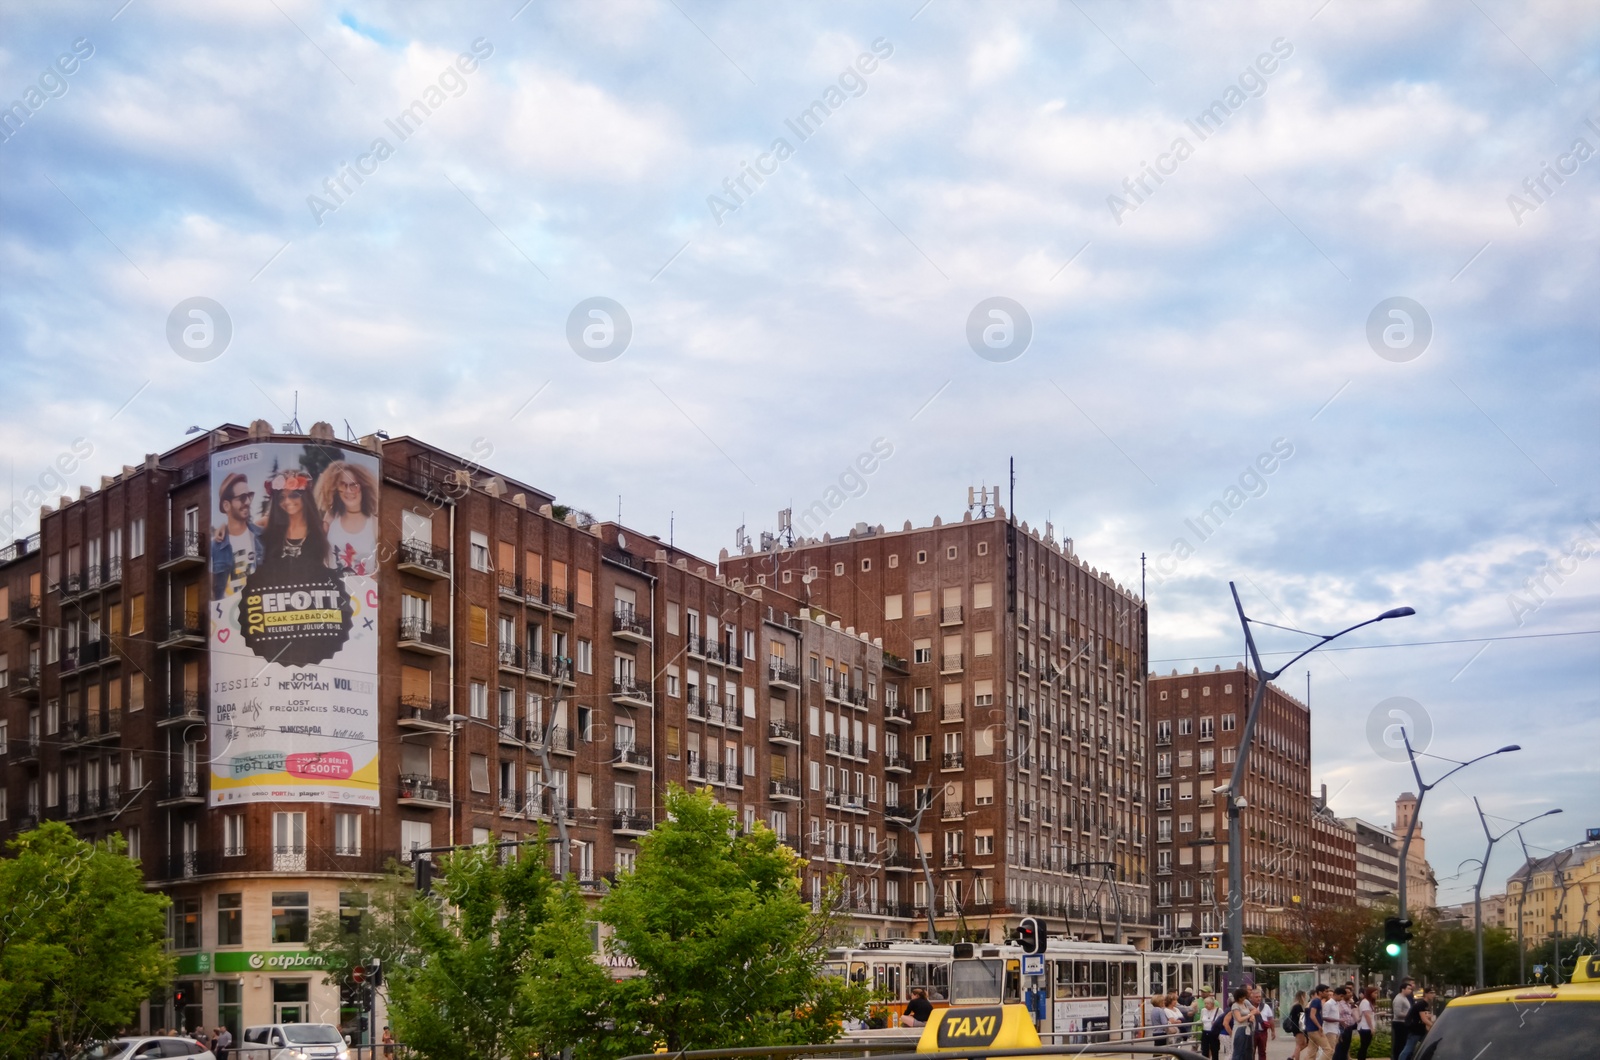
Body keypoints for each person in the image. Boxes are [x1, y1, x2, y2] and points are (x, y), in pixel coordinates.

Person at [258, 469, 332, 579]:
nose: (287, 501)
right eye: (281, 497)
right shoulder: (269, 527)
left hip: (313, 592)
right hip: (276, 592)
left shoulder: (321, 528)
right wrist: (223, 528)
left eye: (294, 495)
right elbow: (242, 529)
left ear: (305, 496)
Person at [315, 460, 378, 575]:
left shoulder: (374, 524)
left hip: (365, 591)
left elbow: (383, 566)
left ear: (364, 487)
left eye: (354, 485)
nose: (348, 491)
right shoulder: (331, 517)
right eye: (343, 485)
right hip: (334, 590)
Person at [211, 472, 264, 598]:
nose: (247, 502)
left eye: (249, 496)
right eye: (242, 498)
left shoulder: (263, 537)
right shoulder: (214, 548)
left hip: (260, 612)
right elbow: (211, 593)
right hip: (230, 615)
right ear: (226, 505)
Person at [1395, 987, 1435, 1060]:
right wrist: (1434, 1026)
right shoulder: (1421, 1004)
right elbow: (1424, 1019)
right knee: (1408, 1049)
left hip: (1421, 1030)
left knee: (1425, 1047)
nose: (1433, 995)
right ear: (1426, 994)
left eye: (1434, 993)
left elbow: (1426, 1018)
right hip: (1415, 1030)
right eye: (1431, 993)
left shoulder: (1426, 1005)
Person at [1223, 987, 1257, 1060]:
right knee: (1239, 1050)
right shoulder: (1235, 1005)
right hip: (1239, 1028)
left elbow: (1255, 1009)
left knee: (1248, 1049)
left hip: (1247, 1028)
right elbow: (1239, 1019)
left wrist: (1252, 1015)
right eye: (1243, 996)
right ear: (1239, 997)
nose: (1244, 998)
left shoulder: (1246, 1003)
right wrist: (1249, 1015)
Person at [1300, 984, 1332, 1060]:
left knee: (1312, 1053)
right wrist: (1319, 1026)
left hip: (1311, 1029)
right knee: (1328, 1050)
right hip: (1315, 1029)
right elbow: (1312, 1015)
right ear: (1320, 992)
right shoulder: (1316, 1001)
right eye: (1326, 991)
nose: (1327, 993)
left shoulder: (1315, 1001)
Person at [1389, 980, 1414, 1060]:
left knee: (1403, 1042)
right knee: (1400, 1042)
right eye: (1408, 988)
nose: (1410, 990)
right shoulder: (1399, 999)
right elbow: (1397, 1013)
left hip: (1404, 1023)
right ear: (1403, 989)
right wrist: (1409, 1015)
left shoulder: (1404, 998)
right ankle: (1397, 1057)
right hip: (1399, 1023)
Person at [1250, 986, 1273, 1060]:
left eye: (1259, 997)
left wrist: (1273, 1031)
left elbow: (1270, 1019)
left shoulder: (1266, 1006)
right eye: (1256, 997)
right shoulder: (1248, 1007)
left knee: (1262, 1052)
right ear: (1252, 998)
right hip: (1252, 1032)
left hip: (1263, 1032)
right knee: (1251, 1052)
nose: (1259, 998)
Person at [1199, 993, 1224, 1060]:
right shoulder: (1203, 1010)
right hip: (1205, 1031)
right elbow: (1201, 1020)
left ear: (1212, 1004)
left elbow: (1223, 1020)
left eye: (1208, 1003)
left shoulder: (1219, 1010)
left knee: (1214, 1050)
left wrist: (1217, 1024)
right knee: (1204, 1050)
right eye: (1205, 1003)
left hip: (1214, 1032)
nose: (1206, 1005)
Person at [1354, 986, 1377, 1060]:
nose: (1377, 995)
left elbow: (1370, 1014)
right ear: (1370, 993)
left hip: (1366, 1027)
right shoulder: (1365, 1002)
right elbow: (1367, 1015)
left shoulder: (1368, 1002)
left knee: (1365, 1046)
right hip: (1365, 1027)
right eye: (1375, 993)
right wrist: (1371, 1028)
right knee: (1364, 1046)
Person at [1285, 990, 1308, 1060]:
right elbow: (1301, 1018)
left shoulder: (1295, 1005)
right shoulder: (1298, 1006)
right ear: (1302, 996)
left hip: (1296, 1026)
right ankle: (1295, 1058)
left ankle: (1292, 1057)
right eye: (1305, 996)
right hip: (1298, 1027)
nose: (1306, 998)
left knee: (1303, 1044)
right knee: (1299, 1045)